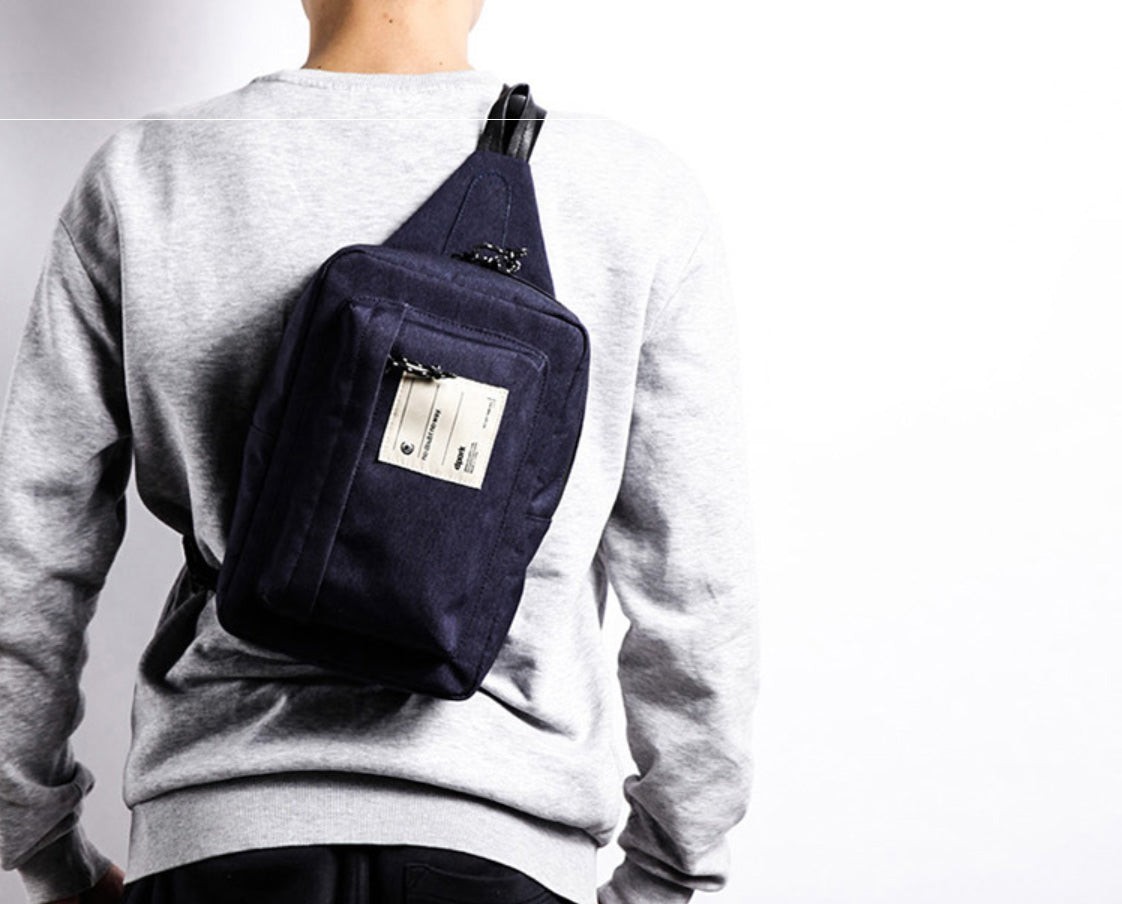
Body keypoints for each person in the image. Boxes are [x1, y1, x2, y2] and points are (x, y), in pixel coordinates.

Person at [0, 1, 761, 903]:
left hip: (216, 840)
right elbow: (695, 593)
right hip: (509, 848)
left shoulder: (149, 174)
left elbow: (30, 550)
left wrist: (42, 847)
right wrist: (667, 874)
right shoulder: (634, 193)